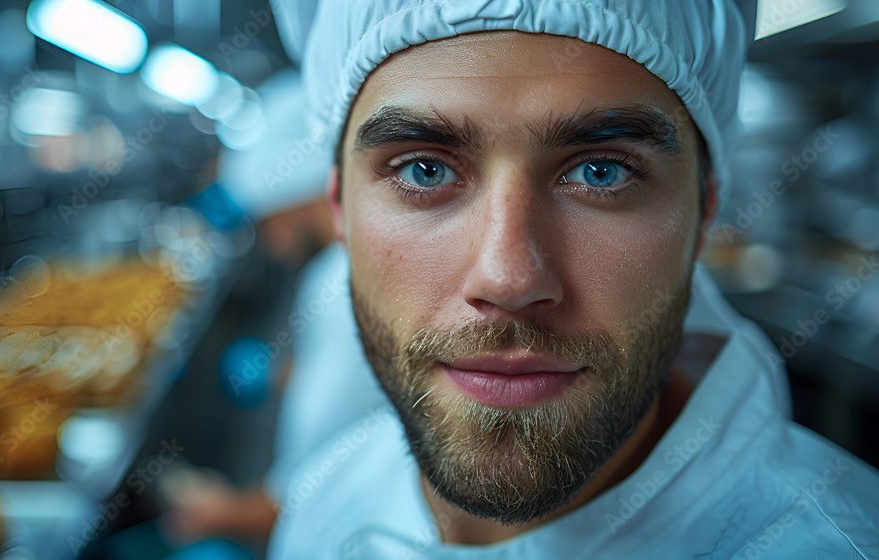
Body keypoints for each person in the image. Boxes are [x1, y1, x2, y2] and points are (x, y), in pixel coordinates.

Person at [265, 0, 879, 558]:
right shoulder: (327, 504)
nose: (508, 280)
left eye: (602, 172)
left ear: (704, 213)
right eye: (424, 171)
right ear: (340, 208)